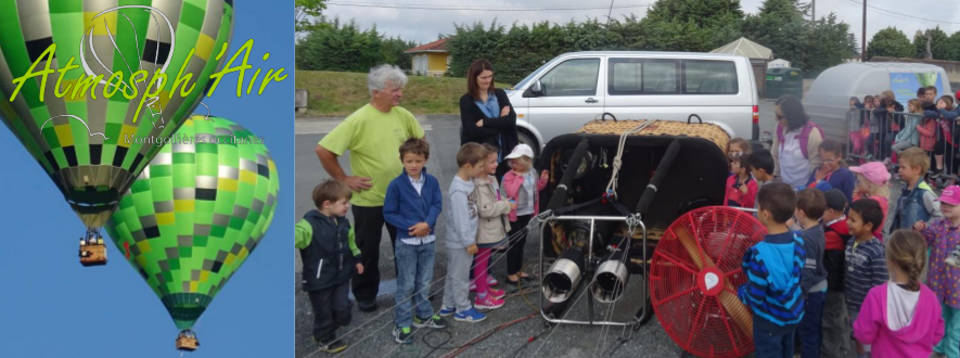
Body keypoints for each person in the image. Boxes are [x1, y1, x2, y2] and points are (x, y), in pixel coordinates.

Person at [315, 64, 426, 312]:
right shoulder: (358, 119)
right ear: (377, 91)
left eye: (401, 90)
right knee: (367, 250)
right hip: (369, 200)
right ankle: (365, 295)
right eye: (395, 90)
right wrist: (344, 179)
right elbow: (324, 150)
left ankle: (410, 291)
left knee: (407, 247)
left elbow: (420, 142)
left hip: (403, 198)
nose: (400, 94)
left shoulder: (403, 115)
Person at [382, 138, 446, 344]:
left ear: (425, 160)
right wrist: (412, 226)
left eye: (418, 161)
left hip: (428, 240)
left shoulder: (432, 182)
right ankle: (402, 323)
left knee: (425, 280)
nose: (413, 165)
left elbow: (437, 204)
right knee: (406, 283)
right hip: (407, 243)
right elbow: (389, 213)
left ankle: (423, 314)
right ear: (402, 161)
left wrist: (427, 223)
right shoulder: (396, 185)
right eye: (409, 161)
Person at [295, 180, 364, 353]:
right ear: (327, 204)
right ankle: (324, 338)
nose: (348, 206)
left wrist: (357, 259)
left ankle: (336, 319)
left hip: (341, 275)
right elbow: (296, 237)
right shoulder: (308, 225)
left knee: (342, 309)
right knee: (323, 311)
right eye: (344, 203)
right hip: (319, 280)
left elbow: (351, 243)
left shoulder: (343, 222)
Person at [738, 183, 805, 358]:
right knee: (786, 351)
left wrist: (742, 293)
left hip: (769, 321)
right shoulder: (799, 242)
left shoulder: (759, 255)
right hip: (791, 315)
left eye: (758, 207)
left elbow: (756, 296)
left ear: (765, 214)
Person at [853, 230, 945, 357]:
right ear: (921, 260)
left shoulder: (877, 295)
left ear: (890, 260)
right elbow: (937, 334)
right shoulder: (931, 298)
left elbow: (864, 335)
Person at [440, 143, 489, 322]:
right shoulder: (458, 190)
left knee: (454, 273)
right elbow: (461, 220)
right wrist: (469, 242)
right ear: (468, 166)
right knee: (460, 277)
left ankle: (448, 304)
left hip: (462, 241)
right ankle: (463, 309)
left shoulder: (468, 181)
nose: (482, 169)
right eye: (480, 166)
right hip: (460, 242)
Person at [915, 185, 960, 358]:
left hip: (958, 292)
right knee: (938, 323)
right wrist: (919, 230)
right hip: (938, 288)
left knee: (956, 331)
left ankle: (952, 354)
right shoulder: (937, 225)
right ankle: (938, 351)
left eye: (951, 204)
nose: (945, 207)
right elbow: (924, 242)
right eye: (943, 203)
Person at [844, 198, 889, 358]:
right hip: (852, 302)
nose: (848, 222)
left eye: (853, 220)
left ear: (868, 226)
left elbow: (880, 283)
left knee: (867, 340)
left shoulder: (876, 251)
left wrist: (875, 308)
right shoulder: (851, 241)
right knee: (857, 335)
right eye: (848, 218)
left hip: (867, 307)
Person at [470, 143, 512, 309]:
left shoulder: (492, 178)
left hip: (491, 230)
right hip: (483, 231)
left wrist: (504, 201)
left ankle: (485, 289)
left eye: (497, 160)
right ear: (480, 164)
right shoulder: (478, 184)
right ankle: (481, 298)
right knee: (481, 264)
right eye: (492, 162)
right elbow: (485, 210)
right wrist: (506, 205)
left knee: (485, 262)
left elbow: (496, 197)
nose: (497, 164)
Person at [459, 59, 518, 179]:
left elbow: (511, 121)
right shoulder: (466, 100)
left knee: (499, 191)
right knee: (482, 192)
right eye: (483, 77)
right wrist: (501, 123)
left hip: (504, 154)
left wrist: (486, 122)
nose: (487, 80)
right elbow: (471, 131)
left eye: (490, 76)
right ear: (474, 78)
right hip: (480, 158)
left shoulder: (500, 94)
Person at [501, 143, 548, 286]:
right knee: (514, 243)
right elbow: (510, 192)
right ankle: (510, 273)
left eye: (517, 161)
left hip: (527, 213)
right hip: (515, 215)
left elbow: (536, 189)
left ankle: (518, 269)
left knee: (522, 243)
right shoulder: (509, 176)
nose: (513, 164)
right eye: (512, 161)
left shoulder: (532, 172)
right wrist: (517, 178)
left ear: (527, 161)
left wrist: (543, 181)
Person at [795, 189, 828, 358]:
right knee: (812, 330)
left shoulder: (807, 238)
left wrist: (800, 294)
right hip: (818, 287)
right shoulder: (817, 229)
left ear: (801, 212)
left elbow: (808, 270)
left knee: (808, 332)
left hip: (811, 292)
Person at [820, 189, 852, 358]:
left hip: (833, 285)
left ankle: (831, 352)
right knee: (840, 318)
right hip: (842, 282)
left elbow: (816, 244)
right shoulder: (846, 224)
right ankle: (843, 348)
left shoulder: (834, 233)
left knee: (830, 321)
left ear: (831, 212)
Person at [772, 95, 823, 190]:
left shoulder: (812, 133)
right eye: (775, 115)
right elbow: (775, 155)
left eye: (779, 116)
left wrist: (808, 190)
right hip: (784, 188)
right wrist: (776, 177)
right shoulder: (779, 128)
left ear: (792, 116)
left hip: (804, 191)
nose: (776, 119)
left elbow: (816, 165)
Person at [892, 147, 942, 232]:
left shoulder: (925, 193)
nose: (899, 170)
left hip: (916, 240)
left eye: (903, 167)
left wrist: (925, 226)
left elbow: (940, 214)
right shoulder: (906, 189)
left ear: (917, 169)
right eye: (899, 167)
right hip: (903, 238)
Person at [849, 162, 890, 237]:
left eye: (859, 181)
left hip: (866, 237)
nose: (857, 184)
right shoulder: (881, 199)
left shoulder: (872, 202)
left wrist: (856, 196)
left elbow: (855, 213)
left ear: (869, 184)